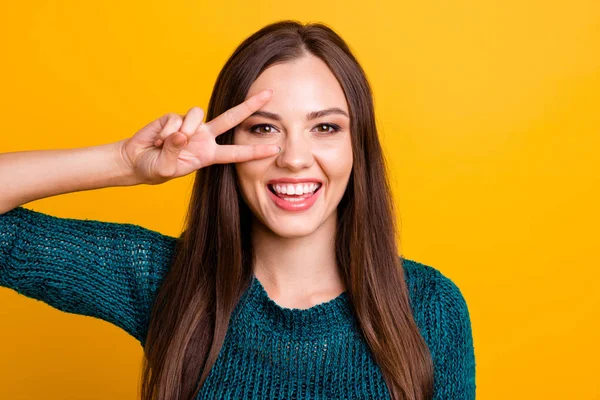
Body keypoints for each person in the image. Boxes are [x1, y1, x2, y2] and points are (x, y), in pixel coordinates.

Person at [0, 20, 475, 400]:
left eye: (325, 128)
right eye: (264, 129)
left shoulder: (431, 307)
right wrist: (126, 163)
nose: (293, 157)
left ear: (358, 148)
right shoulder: (167, 281)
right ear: (226, 145)